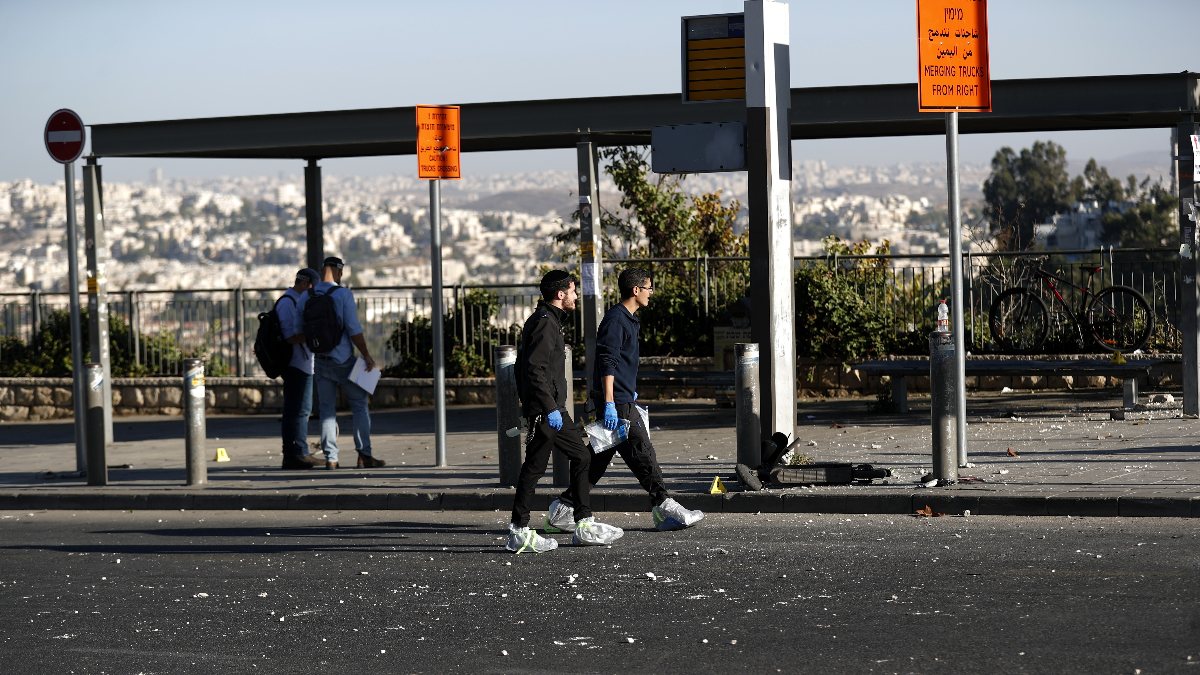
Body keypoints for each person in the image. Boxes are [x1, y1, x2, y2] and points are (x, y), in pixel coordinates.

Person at [546, 267, 704, 533]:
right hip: (616, 404)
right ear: (636, 290)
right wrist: (609, 402)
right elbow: (608, 362)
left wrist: (628, 391)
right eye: (649, 288)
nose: (651, 293)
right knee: (644, 454)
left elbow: (620, 364)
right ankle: (665, 506)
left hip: (621, 399)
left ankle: (563, 508)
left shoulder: (627, 319)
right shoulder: (616, 320)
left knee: (597, 461)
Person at [506, 270, 623, 553]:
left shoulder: (548, 321)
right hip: (548, 410)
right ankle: (535, 528)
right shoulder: (545, 324)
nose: (574, 296)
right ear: (560, 294)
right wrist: (549, 409)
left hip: (550, 408)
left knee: (564, 460)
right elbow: (534, 369)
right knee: (551, 464)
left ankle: (568, 523)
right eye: (572, 291)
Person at [312, 256, 385, 470]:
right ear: (338, 270)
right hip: (343, 360)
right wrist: (367, 355)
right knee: (360, 405)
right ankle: (364, 455)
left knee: (326, 410)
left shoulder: (311, 294)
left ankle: (331, 458)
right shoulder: (342, 294)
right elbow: (353, 329)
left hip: (320, 359)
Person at [278, 267, 324, 470]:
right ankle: (296, 454)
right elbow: (290, 336)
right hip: (296, 364)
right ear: (305, 283)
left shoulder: (295, 301)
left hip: (303, 363)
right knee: (298, 410)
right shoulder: (288, 303)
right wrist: (312, 332)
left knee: (300, 410)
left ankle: (299, 451)